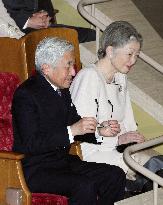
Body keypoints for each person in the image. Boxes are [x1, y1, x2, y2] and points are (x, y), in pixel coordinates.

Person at [11, 37, 126, 205]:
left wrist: (99, 130)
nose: (73, 72)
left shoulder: (62, 89)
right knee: (84, 185)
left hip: (62, 163)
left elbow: (75, 123)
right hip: (35, 169)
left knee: (115, 175)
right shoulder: (26, 95)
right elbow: (31, 143)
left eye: (74, 65)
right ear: (46, 68)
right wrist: (72, 130)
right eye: (69, 65)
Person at [70, 21, 157, 178]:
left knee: (153, 161)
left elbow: (127, 118)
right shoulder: (88, 77)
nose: (133, 61)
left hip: (118, 147)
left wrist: (133, 137)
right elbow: (82, 134)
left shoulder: (120, 76)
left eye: (136, 55)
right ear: (110, 51)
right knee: (149, 169)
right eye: (129, 54)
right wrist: (118, 141)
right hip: (91, 152)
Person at [2, 0, 96, 43]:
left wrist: (47, 15)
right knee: (79, 34)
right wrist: (28, 21)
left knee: (85, 35)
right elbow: (12, 8)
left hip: (43, 22)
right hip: (21, 31)